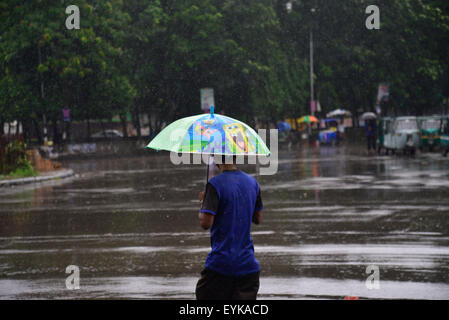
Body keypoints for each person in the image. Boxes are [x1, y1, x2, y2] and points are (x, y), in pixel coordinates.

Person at [195, 155, 263, 300]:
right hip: (248, 266)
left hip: (221, 265)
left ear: (216, 158)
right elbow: (257, 219)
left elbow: (205, 223)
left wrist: (203, 205)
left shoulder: (214, 184)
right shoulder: (253, 182)